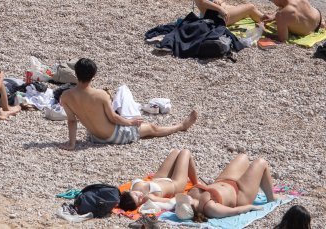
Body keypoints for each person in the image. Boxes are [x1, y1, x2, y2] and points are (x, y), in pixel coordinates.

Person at [59, 58, 197, 149]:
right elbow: (113, 118)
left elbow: (72, 121)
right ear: (93, 76)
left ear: (76, 74)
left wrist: (72, 143)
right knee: (151, 128)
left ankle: (134, 117)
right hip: (113, 136)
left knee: (124, 101)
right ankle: (181, 126)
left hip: (95, 137)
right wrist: (131, 123)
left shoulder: (66, 96)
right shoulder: (100, 95)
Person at [175, 154, 276, 220]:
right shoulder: (209, 208)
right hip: (240, 193)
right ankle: (272, 197)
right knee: (261, 162)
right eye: (184, 201)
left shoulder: (191, 195)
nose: (183, 198)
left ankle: (262, 183)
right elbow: (233, 211)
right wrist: (251, 207)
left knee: (243, 157)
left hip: (224, 180)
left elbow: (164, 202)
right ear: (191, 207)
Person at [118, 148, 199, 210]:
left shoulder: (132, 188)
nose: (140, 195)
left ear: (129, 192)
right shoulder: (148, 198)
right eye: (139, 200)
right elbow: (170, 201)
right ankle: (197, 184)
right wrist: (185, 200)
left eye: (136, 194)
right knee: (185, 152)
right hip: (175, 185)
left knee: (176, 152)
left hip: (159, 178)